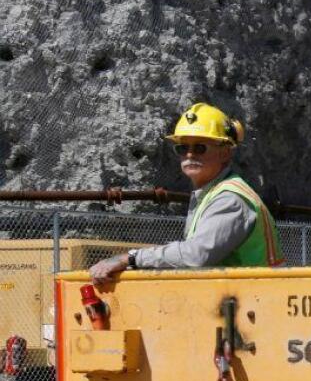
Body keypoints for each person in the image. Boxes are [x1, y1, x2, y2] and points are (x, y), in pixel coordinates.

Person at [89, 103, 283, 282]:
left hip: (254, 305)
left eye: (200, 147)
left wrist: (130, 259)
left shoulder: (229, 199)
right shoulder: (212, 193)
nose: (189, 155)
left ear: (225, 153)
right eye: (182, 148)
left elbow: (195, 256)